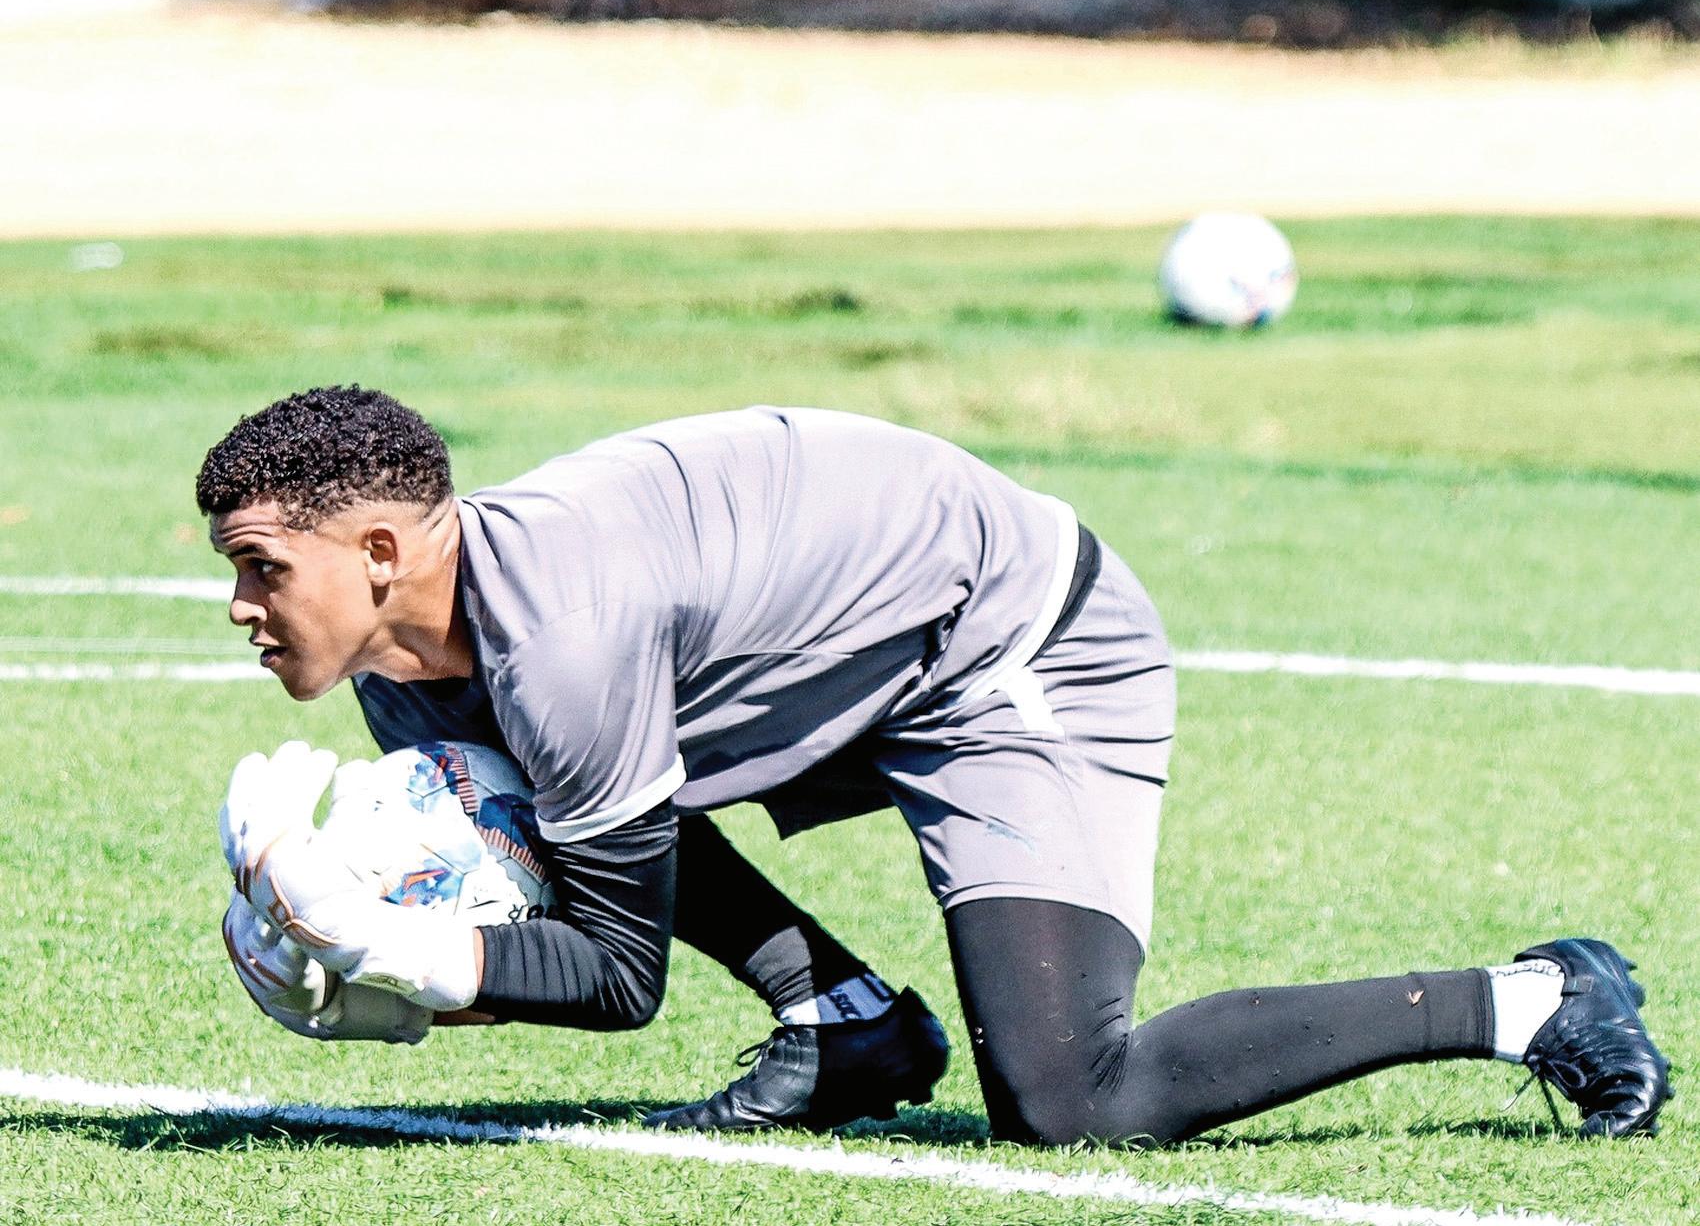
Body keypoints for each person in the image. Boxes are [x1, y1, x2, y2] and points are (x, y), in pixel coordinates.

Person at [203, 387, 1670, 1145]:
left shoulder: (560, 637)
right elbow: (597, 869)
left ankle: (1536, 997)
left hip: (1016, 644)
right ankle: (846, 1021)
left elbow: (620, 972)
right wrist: (412, 969)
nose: (242, 604)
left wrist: (405, 956)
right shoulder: (413, 673)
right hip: (848, 647)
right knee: (573, 800)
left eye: (265, 566)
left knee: (1076, 1094)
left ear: (381, 549)